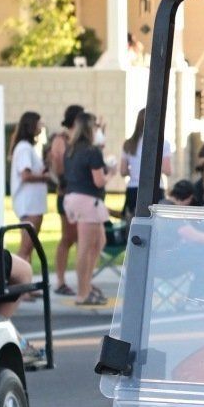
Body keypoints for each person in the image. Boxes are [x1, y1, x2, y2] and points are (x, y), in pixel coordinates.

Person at [61, 112, 112, 307]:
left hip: (73, 197)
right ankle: (83, 292)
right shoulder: (92, 151)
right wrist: (111, 173)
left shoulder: (71, 150)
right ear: (91, 129)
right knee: (85, 247)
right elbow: (99, 181)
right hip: (88, 200)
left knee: (99, 241)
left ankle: (87, 285)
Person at [45, 104, 85, 295]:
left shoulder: (79, 139)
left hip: (80, 194)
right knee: (68, 237)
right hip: (67, 193)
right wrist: (66, 181)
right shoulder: (61, 139)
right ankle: (60, 281)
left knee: (80, 238)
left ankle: (82, 281)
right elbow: (58, 163)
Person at [8, 111, 49, 262]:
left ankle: (26, 275)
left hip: (33, 204)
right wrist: (45, 177)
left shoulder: (28, 147)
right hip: (29, 205)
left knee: (28, 249)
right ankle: (17, 274)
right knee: (25, 249)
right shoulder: (24, 148)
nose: (42, 126)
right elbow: (25, 175)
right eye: (39, 123)